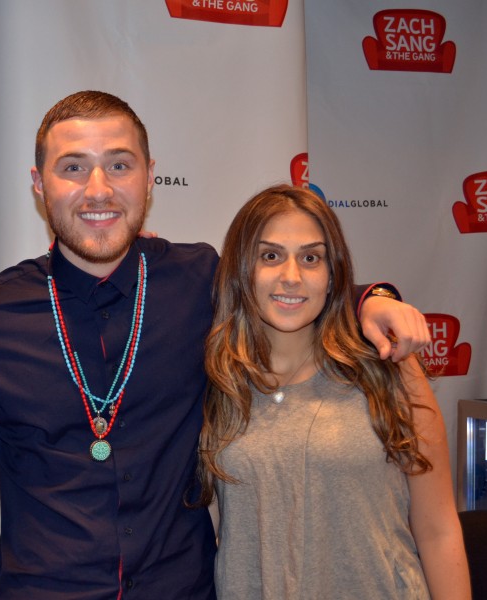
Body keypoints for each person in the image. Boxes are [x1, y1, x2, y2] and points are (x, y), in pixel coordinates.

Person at [0, 90, 431, 599]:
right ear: (39, 184)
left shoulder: (197, 280)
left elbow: (290, 292)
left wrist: (373, 299)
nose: (99, 190)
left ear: (150, 178)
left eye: (119, 165)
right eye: (73, 168)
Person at [199, 184, 470, 599]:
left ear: (331, 275)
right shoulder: (219, 384)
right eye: (270, 255)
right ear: (241, 271)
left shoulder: (388, 366)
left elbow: (437, 528)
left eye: (311, 258)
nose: (292, 276)